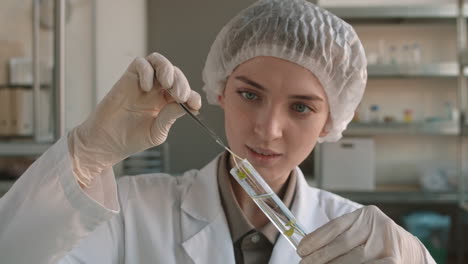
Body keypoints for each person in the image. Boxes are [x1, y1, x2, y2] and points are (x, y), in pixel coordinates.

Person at [0, 0, 435, 263]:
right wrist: (87, 153)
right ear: (221, 91)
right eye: (250, 95)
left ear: (331, 121)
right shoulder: (133, 214)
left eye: (301, 107)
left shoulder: (353, 237)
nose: (268, 128)